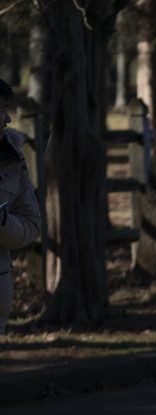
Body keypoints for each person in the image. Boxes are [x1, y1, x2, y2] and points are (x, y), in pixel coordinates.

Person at [0, 78, 41, 336]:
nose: (7, 119)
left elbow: (31, 225)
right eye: (1, 110)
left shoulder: (12, 159)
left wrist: (2, 222)